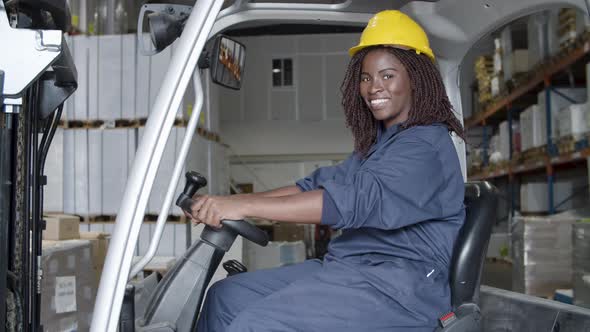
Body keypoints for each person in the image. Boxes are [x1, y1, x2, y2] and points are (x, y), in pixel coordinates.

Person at [190, 10, 465, 332]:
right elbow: (314, 187)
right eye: (366, 77)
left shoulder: (424, 146)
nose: (374, 87)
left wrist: (243, 206)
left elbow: (351, 202)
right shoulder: (380, 146)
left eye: (388, 75)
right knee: (228, 296)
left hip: (399, 287)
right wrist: (228, 202)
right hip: (349, 269)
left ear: (416, 79)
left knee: (258, 324)